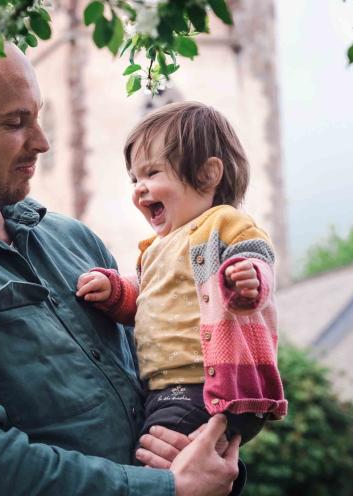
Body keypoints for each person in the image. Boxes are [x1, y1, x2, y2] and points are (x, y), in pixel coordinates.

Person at [0, 44, 241, 496]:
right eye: (15, 122)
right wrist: (164, 487)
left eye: (38, 116)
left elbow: (163, 372)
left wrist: (206, 452)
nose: (42, 140)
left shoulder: (76, 240)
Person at [75, 102, 287, 458]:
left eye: (153, 173)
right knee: (153, 457)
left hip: (210, 386)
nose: (140, 189)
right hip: (165, 387)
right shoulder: (155, 248)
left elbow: (257, 259)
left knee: (154, 461)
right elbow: (144, 297)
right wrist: (114, 292)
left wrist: (248, 280)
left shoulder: (224, 223)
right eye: (134, 179)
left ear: (207, 175)